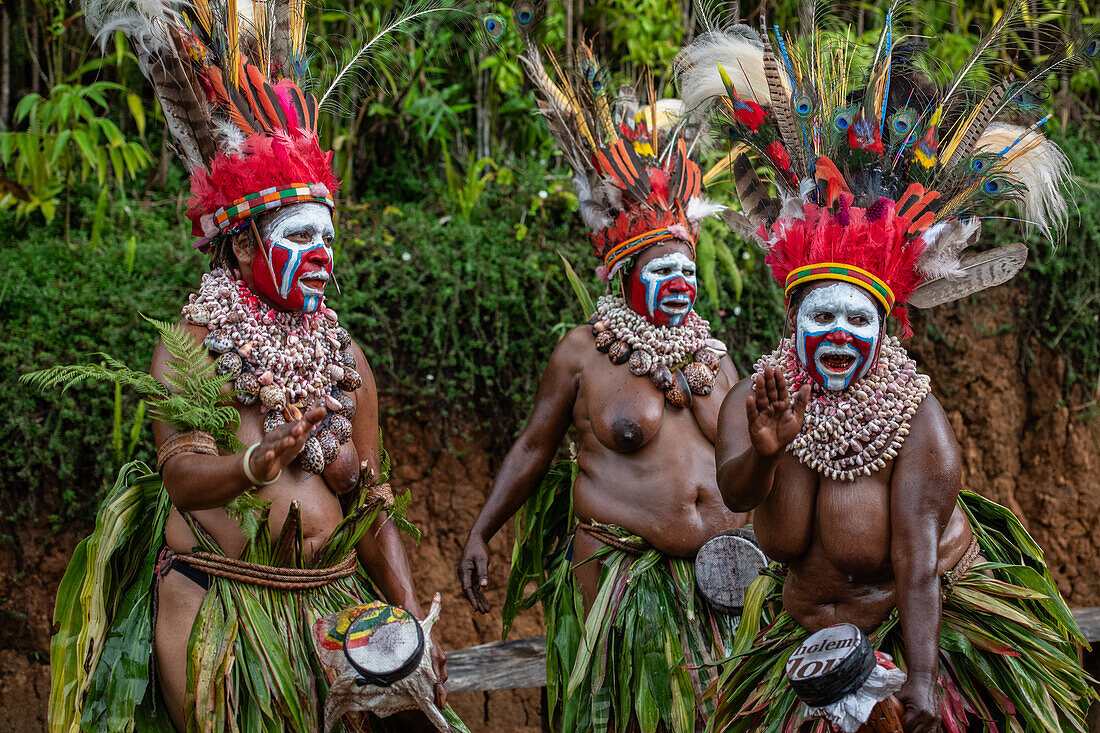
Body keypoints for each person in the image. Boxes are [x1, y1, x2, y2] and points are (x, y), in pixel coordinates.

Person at [42, 0, 463, 730]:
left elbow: (372, 499)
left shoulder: (345, 358)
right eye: (300, 235)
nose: (322, 254)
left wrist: (406, 619)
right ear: (242, 247)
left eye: (328, 236)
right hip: (224, 610)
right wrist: (255, 465)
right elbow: (179, 473)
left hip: (333, 609)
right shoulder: (193, 344)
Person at [675, 12, 1096, 733]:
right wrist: (769, 449)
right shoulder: (757, 396)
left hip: (915, 627)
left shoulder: (916, 422)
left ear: (883, 327)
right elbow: (737, 490)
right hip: (806, 648)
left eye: (855, 321)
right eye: (822, 318)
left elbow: (915, 559)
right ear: (793, 318)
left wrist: (925, 686)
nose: (837, 334)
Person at [457, 34, 747, 733]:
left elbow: (749, 461)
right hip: (623, 579)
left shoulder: (715, 353)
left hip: (724, 580)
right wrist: (482, 529)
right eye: (661, 269)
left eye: (686, 267)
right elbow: (533, 448)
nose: (679, 281)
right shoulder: (584, 353)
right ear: (624, 270)